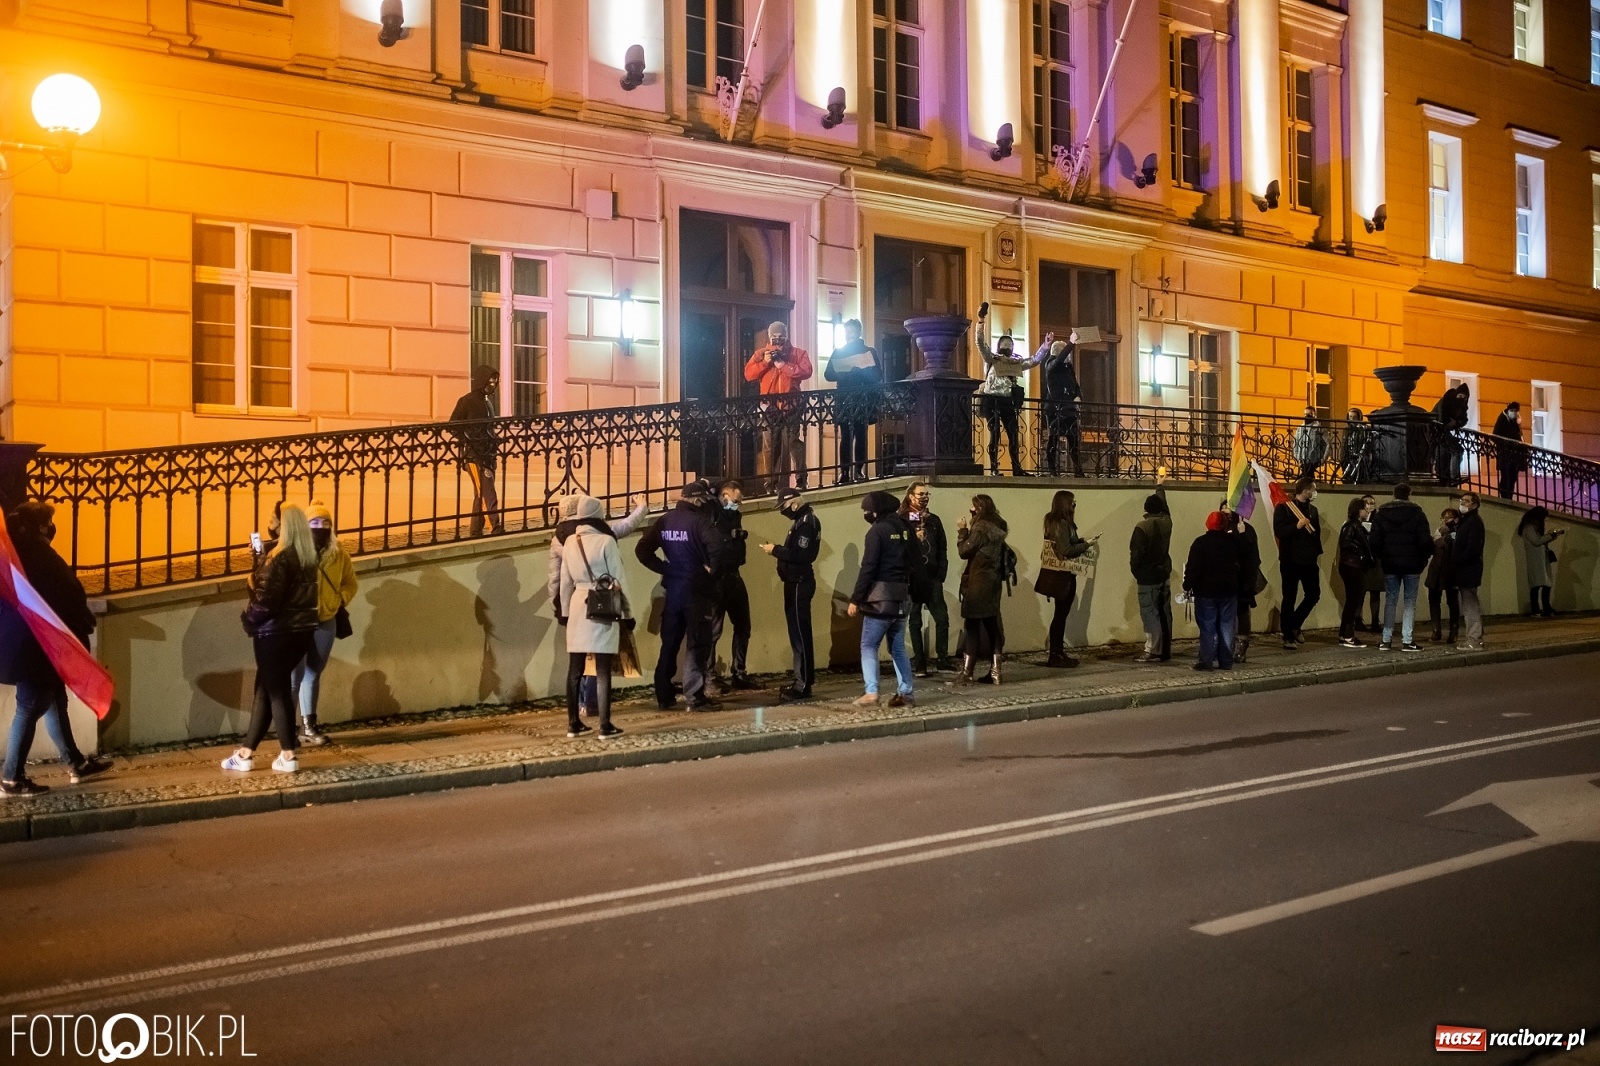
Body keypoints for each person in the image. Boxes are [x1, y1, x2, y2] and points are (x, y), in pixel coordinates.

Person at [0, 502, 112, 796]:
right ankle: (11, 777)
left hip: (30, 644)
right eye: (47, 521)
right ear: (39, 526)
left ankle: (75, 762)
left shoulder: (16, 554)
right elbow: (67, 594)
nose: (51, 527)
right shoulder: (37, 555)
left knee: (54, 699)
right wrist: (82, 623)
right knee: (30, 705)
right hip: (36, 646)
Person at [223, 504, 320, 774]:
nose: (271, 525)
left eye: (273, 521)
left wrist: (249, 618)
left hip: (275, 634)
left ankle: (288, 754)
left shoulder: (279, 558)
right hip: (301, 632)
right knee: (264, 689)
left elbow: (266, 601)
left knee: (276, 691)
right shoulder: (307, 557)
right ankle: (245, 753)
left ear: (283, 525)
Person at [548, 493, 648, 716]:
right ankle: (599, 714)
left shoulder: (561, 539)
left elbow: (559, 578)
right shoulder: (604, 537)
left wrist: (561, 608)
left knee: (576, 664)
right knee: (599, 662)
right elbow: (619, 575)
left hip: (575, 603)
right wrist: (641, 507)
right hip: (602, 600)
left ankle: (575, 719)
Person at [637, 480, 726, 711]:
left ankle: (664, 695)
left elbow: (642, 550)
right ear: (697, 500)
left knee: (670, 643)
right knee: (698, 644)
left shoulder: (665, 520)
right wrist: (712, 572)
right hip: (697, 591)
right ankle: (695, 696)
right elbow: (718, 547)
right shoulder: (700, 522)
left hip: (673, 591)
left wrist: (665, 568)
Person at [557, 495, 628, 739]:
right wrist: (627, 613)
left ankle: (573, 723)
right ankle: (605, 725)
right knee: (602, 669)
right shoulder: (606, 541)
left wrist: (565, 612)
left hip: (578, 603)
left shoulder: (569, 543)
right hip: (602, 604)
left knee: (574, 669)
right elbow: (619, 580)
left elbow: (564, 583)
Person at [290, 501, 357, 746]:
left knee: (313, 673)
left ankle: (309, 726)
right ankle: (289, 729)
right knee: (294, 677)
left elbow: (350, 583)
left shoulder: (339, 554)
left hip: (326, 621)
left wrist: (339, 599)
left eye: (325, 523)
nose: (320, 527)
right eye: (314, 523)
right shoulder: (295, 552)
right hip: (298, 622)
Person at [848, 490, 918, 708]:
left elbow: (868, 567)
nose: (867, 514)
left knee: (869, 644)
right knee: (897, 647)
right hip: (903, 596)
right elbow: (915, 561)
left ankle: (871, 692)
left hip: (881, 598)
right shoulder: (906, 527)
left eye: (868, 510)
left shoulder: (877, 532)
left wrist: (856, 599)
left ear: (877, 511)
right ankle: (906, 693)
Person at [762, 487, 821, 700]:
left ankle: (803, 684)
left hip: (799, 583)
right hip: (795, 582)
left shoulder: (806, 523)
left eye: (784, 506)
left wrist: (775, 550)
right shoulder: (801, 521)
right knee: (797, 632)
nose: (783, 511)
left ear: (794, 503)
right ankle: (802, 679)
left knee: (800, 635)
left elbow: (801, 555)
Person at [744, 321, 814, 493]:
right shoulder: (761, 354)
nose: (778, 340)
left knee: (793, 443)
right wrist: (765, 363)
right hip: (769, 407)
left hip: (792, 405)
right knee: (770, 446)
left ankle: (801, 480)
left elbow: (807, 371)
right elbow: (748, 375)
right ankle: (770, 485)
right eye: (774, 337)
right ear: (769, 337)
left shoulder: (798, 353)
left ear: (787, 335)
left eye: (781, 336)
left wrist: (784, 365)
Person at [1367, 483, 1433, 652]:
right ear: (1409, 494)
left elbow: (1374, 542)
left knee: (1390, 600)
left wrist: (1382, 556)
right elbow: (1425, 541)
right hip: (1412, 564)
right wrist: (1423, 558)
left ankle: (1386, 639)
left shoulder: (1381, 515)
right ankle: (1407, 640)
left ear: (1394, 494)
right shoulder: (1418, 514)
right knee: (1410, 602)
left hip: (1390, 564)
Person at [952, 494, 1010, 685]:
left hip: (978, 582)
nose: (970, 511)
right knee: (992, 627)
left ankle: (967, 672)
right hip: (993, 582)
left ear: (979, 509)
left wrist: (962, 531)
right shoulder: (999, 527)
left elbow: (964, 551)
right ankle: (996, 672)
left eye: (972, 508)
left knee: (973, 626)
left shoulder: (981, 528)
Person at [975, 305, 1038, 476]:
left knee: (1013, 434)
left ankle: (1016, 467)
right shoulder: (992, 358)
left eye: (1009, 344)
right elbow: (980, 343)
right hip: (991, 399)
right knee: (994, 434)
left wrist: (1045, 347)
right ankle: (994, 468)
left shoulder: (1015, 363)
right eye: (1005, 344)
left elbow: (1033, 361)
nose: (1007, 347)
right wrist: (981, 321)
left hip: (1007, 401)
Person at [1037, 490, 1095, 667]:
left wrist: (1082, 541)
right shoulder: (1061, 524)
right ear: (1065, 504)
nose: (1074, 506)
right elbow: (1066, 550)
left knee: (1060, 614)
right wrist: (1086, 545)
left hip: (1061, 575)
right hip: (1062, 576)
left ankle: (1057, 652)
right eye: (1072, 503)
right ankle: (1056, 654)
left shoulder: (1056, 522)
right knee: (1060, 615)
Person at [709, 480, 755, 693]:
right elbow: (713, 541)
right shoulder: (712, 513)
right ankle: (709, 677)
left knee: (743, 625)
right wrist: (730, 538)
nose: (737, 505)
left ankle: (739, 673)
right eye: (735, 501)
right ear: (725, 495)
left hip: (735, 574)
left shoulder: (734, 514)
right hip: (717, 578)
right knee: (713, 630)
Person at [901, 481, 950, 676]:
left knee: (942, 618)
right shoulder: (903, 519)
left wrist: (941, 573)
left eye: (927, 494)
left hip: (932, 578)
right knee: (914, 621)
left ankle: (943, 659)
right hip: (913, 579)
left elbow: (943, 548)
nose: (924, 497)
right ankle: (920, 662)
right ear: (911, 496)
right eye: (921, 494)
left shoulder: (934, 520)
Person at [823, 319, 881, 484]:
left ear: (858, 332)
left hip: (863, 400)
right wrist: (846, 372)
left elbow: (878, 376)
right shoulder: (839, 351)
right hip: (844, 399)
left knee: (861, 435)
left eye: (851, 331)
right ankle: (845, 471)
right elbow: (828, 374)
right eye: (846, 331)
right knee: (846, 436)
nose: (848, 334)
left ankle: (859, 470)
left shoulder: (868, 351)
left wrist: (861, 371)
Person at [1182, 511, 1241, 671]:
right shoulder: (1233, 542)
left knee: (1207, 627)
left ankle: (1206, 661)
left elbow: (1193, 567)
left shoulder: (1200, 543)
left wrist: (1187, 585)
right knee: (1227, 626)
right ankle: (1226, 661)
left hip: (1206, 592)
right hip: (1228, 591)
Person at [449, 364, 503, 536]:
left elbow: (490, 428)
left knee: (481, 493)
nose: (492, 385)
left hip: (488, 454)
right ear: (482, 381)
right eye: (490, 382)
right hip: (474, 456)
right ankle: (495, 527)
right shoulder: (467, 401)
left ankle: (475, 530)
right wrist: (468, 439)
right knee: (487, 491)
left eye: (495, 382)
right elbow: (453, 425)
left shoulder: (488, 404)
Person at [1273, 478, 1323, 649]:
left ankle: (1294, 624)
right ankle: (1288, 636)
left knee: (1314, 594)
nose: (1314, 493)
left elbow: (1316, 534)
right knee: (1290, 597)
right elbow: (1279, 532)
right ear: (1305, 490)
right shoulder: (1285, 508)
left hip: (1309, 560)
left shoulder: (1313, 510)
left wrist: (1316, 552)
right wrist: (1297, 526)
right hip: (1290, 560)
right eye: (1313, 489)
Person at [1129, 488, 1173, 663]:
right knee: (1164, 612)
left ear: (1146, 508)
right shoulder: (1167, 522)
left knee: (1149, 613)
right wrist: (1160, 487)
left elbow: (1136, 554)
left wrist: (1137, 572)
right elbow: (1166, 509)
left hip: (1147, 575)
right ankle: (1165, 649)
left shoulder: (1142, 527)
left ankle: (1152, 649)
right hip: (1164, 572)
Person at [1039, 334, 1084, 476]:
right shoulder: (1051, 365)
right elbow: (1058, 360)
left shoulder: (1068, 368)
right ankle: (1052, 469)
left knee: (1073, 439)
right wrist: (1071, 343)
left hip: (1069, 408)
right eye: (1065, 351)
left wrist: (1078, 396)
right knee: (1053, 439)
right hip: (1055, 409)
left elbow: (1075, 385)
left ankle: (1078, 469)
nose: (1068, 355)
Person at [1336, 497, 1375, 649]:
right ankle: (1347, 635)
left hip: (1352, 566)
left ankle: (1345, 634)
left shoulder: (1355, 525)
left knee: (1352, 601)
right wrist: (1361, 554)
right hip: (1352, 567)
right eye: (1365, 508)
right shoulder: (1352, 525)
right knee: (1353, 602)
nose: (1368, 511)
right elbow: (1346, 543)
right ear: (1358, 510)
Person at [1227, 502, 1262, 663]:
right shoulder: (1224, 529)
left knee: (1242, 611)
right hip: (1228, 579)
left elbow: (1251, 556)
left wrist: (1240, 536)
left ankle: (1241, 645)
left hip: (1243, 580)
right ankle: (1227, 645)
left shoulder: (1247, 530)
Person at [1453, 492, 1487, 650]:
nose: (1462, 504)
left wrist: (1459, 560)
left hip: (1469, 569)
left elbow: (1473, 548)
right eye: (1462, 500)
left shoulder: (1473, 522)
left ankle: (1474, 639)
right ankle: (1475, 637)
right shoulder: (1466, 521)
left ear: (1474, 505)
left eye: (1466, 501)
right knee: (1468, 604)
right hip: (1466, 569)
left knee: (1470, 606)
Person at [1516, 506, 1563, 617]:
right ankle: (1536, 609)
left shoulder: (1532, 527)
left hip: (1541, 559)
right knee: (1536, 585)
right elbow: (1537, 541)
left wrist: (1552, 536)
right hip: (1535, 559)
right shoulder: (1529, 528)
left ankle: (1546, 608)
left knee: (1546, 584)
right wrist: (1550, 535)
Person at [1425, 506, 1461, 644]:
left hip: (1451, 570)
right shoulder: (1438, 531)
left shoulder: (1456, 532)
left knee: (1452, 601)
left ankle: (1454, 631)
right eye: (1443, 518)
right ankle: (1436, 630)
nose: (1445, 520)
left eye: (1448, 517)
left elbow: (1449, 546)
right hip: (1436, 569)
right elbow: (1434, 547)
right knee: (1434, 600)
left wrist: (1443, 536)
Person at [1432, 384, 1470, 486]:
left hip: (1443, 432)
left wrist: (1455, 423)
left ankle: (1448, 479)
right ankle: (1454, 477)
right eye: (1460, 396)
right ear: (1456, 394)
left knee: (1445, 456)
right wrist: (1449, 423)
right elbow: (1441, 417)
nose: (1462, 399)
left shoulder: (1462, 406)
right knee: (1456, 450)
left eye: (1464, 397)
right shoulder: (1446, 401)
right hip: (1436, 431)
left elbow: (1464, 419)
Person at [1492, 401, 1526, 500]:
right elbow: (1495, 436)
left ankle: (1509, 497)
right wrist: (1506, 445)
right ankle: (1504, 497)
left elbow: (1519, 436)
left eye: (1516, 411)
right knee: (1506, 477)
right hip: (1505, 455)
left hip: (1514, 456)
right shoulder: (1502, 419)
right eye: (1512, 410)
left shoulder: (1515, 422)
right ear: (1508, 410)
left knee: (1513, 478)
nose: (1514, 412)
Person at [1360, 493, 1383, 632]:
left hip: (1375, 559)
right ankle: (1358, 619)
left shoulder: (1379, 519)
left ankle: (1375, 620)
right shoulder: (1356, 519)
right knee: (1360, 592)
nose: (1369, 506)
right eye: (1366, 503)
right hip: (1362, 560)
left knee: (1375, 592)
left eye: (1372, 503)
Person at [1291, 407, 1329, 481]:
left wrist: (1323, 459)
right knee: (1307, 477)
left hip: (1314, 459)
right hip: (1302, 458)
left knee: (1307, 477)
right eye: (1305, 414)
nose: (1307, 416)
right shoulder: (1300, 428)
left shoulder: (1319, 428)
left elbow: (1327, 444)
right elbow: (1295, 443)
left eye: (1309, 414)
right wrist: (1296, 456)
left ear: (1314, 415)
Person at [1341, 407, 1373, 485]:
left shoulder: (1362, 429)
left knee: (1359, 472)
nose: (1352, 419)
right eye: (1350, 417)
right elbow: (1344, 444)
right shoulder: (1347, 430)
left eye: (1354, 417)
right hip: (1348, 453)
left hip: (1359, 453)